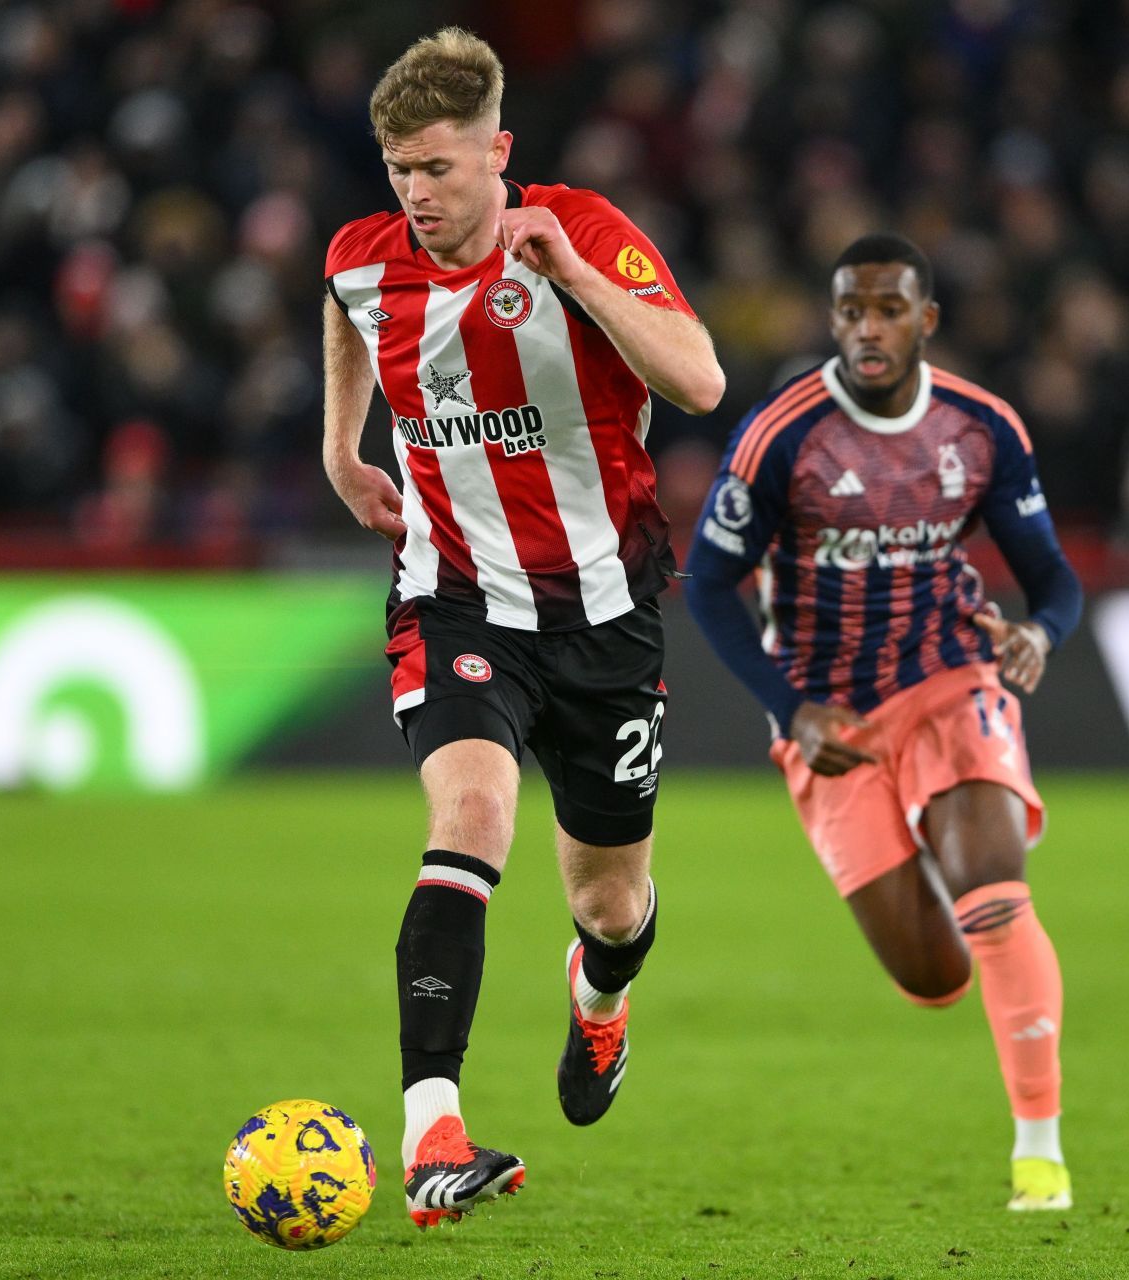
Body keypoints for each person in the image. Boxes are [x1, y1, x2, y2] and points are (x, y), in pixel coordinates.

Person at [320, 28, 725, 1229]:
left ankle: (600, 998)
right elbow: (343, 308)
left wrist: (578, 282)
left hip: (606, 615)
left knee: (611, 902)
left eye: (438, 169)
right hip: (454, 599)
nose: (417, 196)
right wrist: (342, 450)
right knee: (475, 812)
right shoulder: (367, 258)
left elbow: (700, 380)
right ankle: (431, 1129)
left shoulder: (581, 230)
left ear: (499, 151)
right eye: (399, 171)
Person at [684, 233, 1084, 1212]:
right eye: (852, 310)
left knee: (994, 890)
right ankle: (944, 896)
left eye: (889, 309)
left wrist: (1040, 634)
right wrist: (787, 704)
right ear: (834, 319)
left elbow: (1054, 581)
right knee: (935, 976)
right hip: (833, 719)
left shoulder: (981, 427)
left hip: (952, 674)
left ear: (926, 320)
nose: (868, 328)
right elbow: (706, 583)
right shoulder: (783, 433)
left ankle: (1041, 1148)